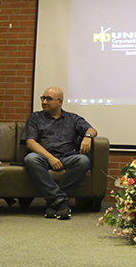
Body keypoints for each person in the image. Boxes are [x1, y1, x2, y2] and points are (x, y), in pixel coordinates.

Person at [21, 87, 97, 220]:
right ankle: (61, 202)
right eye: (43, 98)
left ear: (60, 101)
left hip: (66, 156)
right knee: (30, 159)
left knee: (83, 161)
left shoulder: (72, 118)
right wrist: (50, 158)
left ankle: (53, 202)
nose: (44, 102)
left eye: (48, 99)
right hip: (43, 157)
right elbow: (30, 142)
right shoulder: (35, 117)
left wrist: (88, 136)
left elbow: (91, 129)